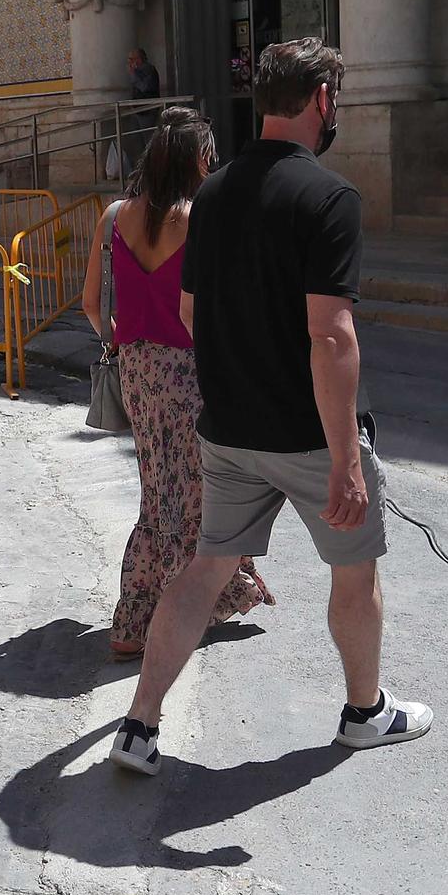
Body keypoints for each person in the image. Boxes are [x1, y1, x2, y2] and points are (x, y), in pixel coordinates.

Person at [109, 39, 432, 775]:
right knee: (354, 575)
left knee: (202, 572)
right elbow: (331, 334)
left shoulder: (214, 192)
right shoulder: (330, 198)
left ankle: (139, 726)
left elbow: (193, 313)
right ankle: (364, 712)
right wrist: (346, 457)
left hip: (227, 431)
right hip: (307, 435)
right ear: (322, 97)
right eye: (336, 99)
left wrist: (233, 385)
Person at [82, 107, 270, 661]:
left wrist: (120, 340)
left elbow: (91, 304)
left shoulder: (114, 216)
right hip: (193, 372)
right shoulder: (200, 220)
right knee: (199, 497)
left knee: (156, 491)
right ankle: (180, 614)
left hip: (138, 371)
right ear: (197, 160)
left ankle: (131, 621)